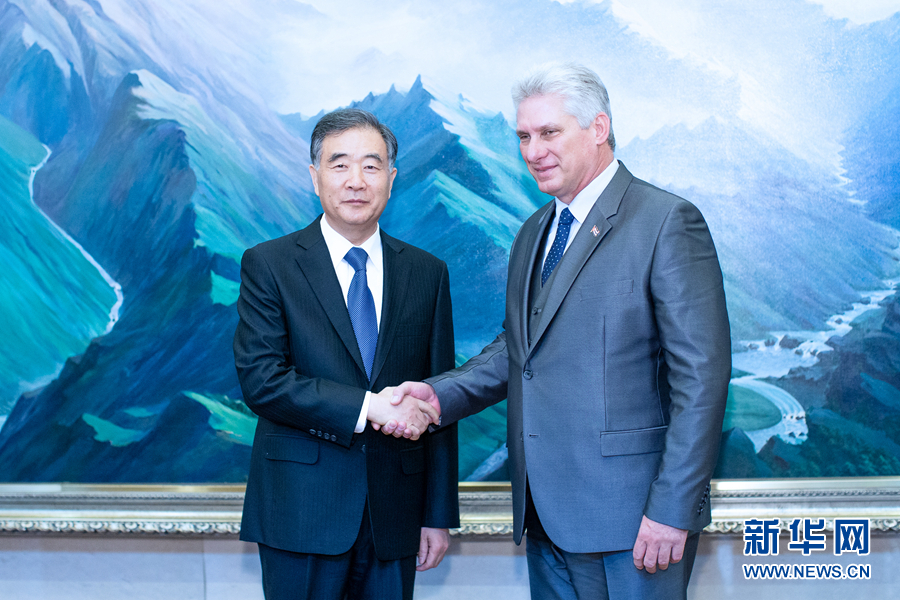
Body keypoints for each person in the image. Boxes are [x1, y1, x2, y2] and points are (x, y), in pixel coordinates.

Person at [385, 63, 731, 599]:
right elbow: (518, 349)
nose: (534, 150)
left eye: (550, 132)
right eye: (524, 136)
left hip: (636, 522)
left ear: (598, 128)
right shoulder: (534, 231)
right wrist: (437, 396)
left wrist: (672, 509)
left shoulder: (665, 221)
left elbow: (702, 379)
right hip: (544, 515)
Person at [233, 108, 459, 600]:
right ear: (315, 177)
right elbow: (262, 381)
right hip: (300, 512)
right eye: (339, 165)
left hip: (396, 516)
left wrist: (437, 515)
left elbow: (438, 394)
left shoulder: (427, 272)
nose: (356, 180)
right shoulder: (270, 264)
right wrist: (368, 406)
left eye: (371, 166)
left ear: (391, 179)